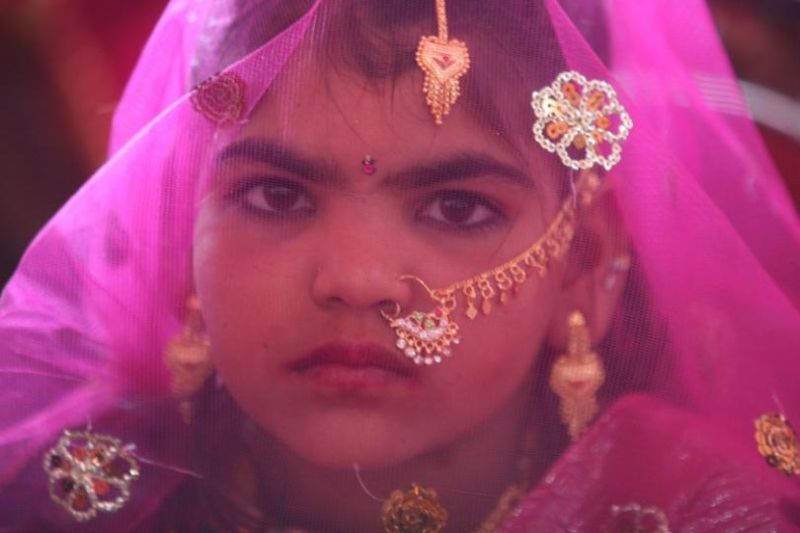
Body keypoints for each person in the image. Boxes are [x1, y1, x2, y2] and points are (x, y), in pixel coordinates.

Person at [1, 0, 799, 531]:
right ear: (183, 221)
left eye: (457, 208)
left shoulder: (698, 509)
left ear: (585, 260)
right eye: (277, 194)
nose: (355, 277)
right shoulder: (81, 485)